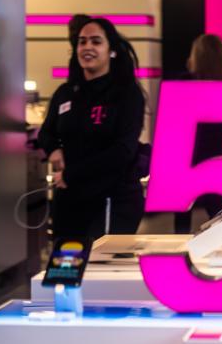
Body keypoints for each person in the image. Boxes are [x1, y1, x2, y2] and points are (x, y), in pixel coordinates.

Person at [39, 17, 147, 240]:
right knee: (66, 269)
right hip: (70, 200)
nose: (87, 47)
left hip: (112, 200)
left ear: (112, 51)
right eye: (82, 41)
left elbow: (123, 151)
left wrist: (72, 173)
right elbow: (46, 132)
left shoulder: (127, 94)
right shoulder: (66, 93)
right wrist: (53, 149)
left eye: (96, 42)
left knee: (100, 271)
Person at [173, 34, 222, 233]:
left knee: (182, 206)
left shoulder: (184, 83)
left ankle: (180, 246)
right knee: (217, 204)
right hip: (215, 146)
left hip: (189, 148)